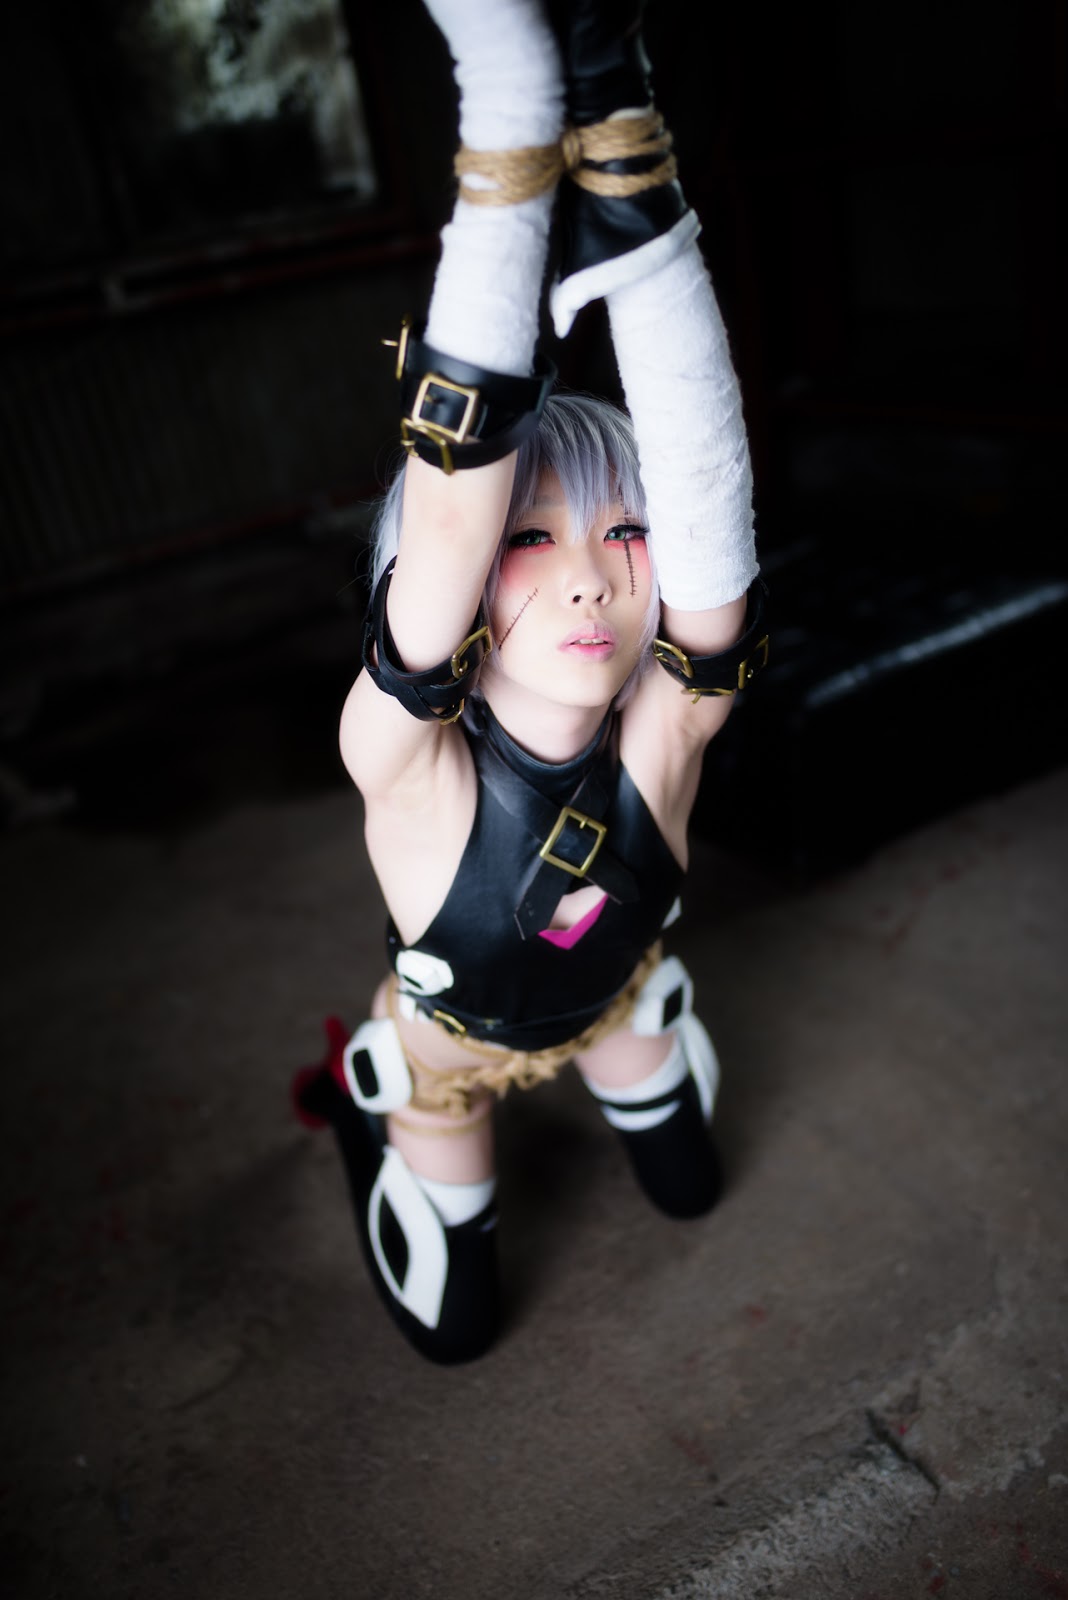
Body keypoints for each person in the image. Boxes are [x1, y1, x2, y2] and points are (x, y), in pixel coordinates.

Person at [294, 0, 767, 1364]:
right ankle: (368, 1107)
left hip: (612, 1001)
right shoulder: (408, 765)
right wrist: (511, 103)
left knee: (692, 1187)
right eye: (532, 541)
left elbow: (709, 506)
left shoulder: (666, 735)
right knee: (457, 1328)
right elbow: (452, 521)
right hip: (450, 1054)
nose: (589, 581)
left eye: (624, 535)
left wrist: (634, 173)